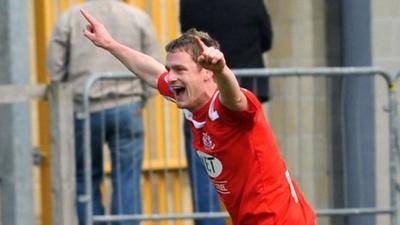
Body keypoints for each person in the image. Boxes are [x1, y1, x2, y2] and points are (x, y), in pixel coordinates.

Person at [80, 9, 317, 225]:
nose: (171, 77)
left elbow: (234, 98)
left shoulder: (229, 108)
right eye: (170, 69)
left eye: (180, 70)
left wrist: (222, 70)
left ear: (206, 73)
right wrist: (110, 44)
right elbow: (152, 73)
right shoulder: (191, 101)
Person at [47, 1, 161, 225]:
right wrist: (142, 98)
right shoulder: (137, 17)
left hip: (85, 107)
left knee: (85, 177)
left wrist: (67, 98)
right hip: (129, 106)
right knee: (127, 177)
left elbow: (55, 67)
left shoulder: (70, 18)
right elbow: (155, 66)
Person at [179, 1, 273, 223]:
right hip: (247, 92)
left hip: (203, 94)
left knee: (204, 165)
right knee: (253, 166)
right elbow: (267, 39)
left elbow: (187, 43)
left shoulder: (190, 4)